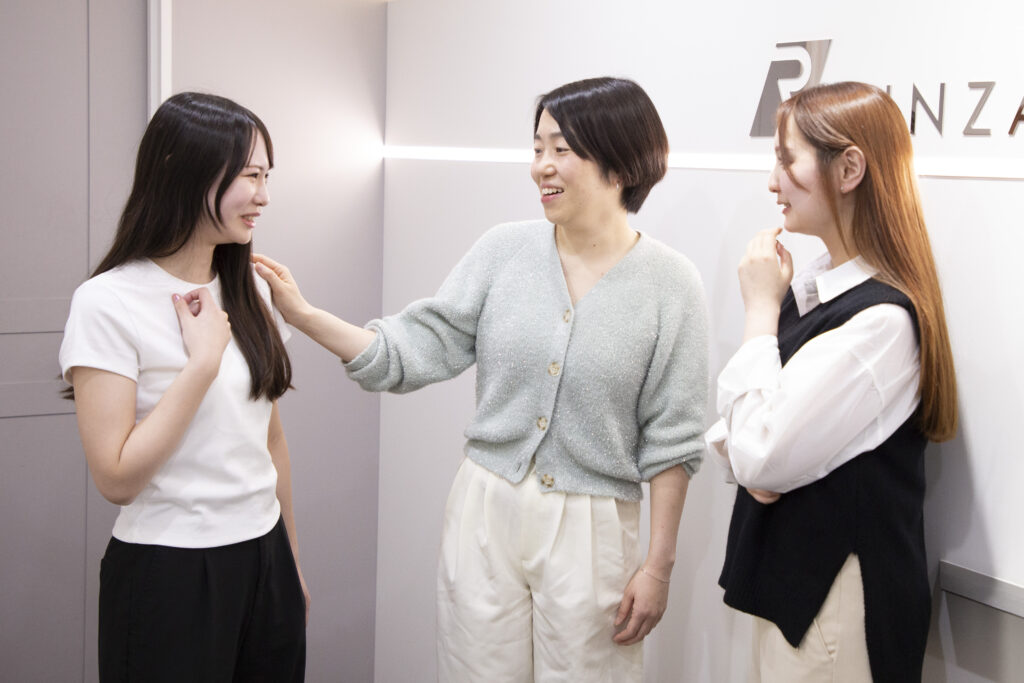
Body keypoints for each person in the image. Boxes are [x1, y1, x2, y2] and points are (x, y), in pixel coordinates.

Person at [254, 76, 708, 682]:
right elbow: (413, 348)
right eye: (538, 148)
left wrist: (658, 565)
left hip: (592, 523)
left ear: (622, 162)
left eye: (562, 149)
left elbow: (673, 439)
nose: (541, 166)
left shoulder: (671, 283)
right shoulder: (503, 251)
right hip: (486, 507)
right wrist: (305, 315)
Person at [707, 81, 958, 682]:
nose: (773, 182)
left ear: (848, 169)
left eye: (786, 159)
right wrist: (752, 457)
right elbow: (744, 443)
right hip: (802, 600)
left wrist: (759, 310)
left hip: (833, 610)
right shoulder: (820, 289)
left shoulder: (881, 322)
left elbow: (759, 451)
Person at [59, 92, 308, 682]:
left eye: (267, 176)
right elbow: (116, 478)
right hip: (169, 572)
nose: (264, 196)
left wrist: (291, 564)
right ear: (182, 170)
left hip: (265, 556)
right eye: (249, 176)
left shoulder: (253, 289)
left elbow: (270, 441)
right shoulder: (107, 301)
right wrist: (201, 365)